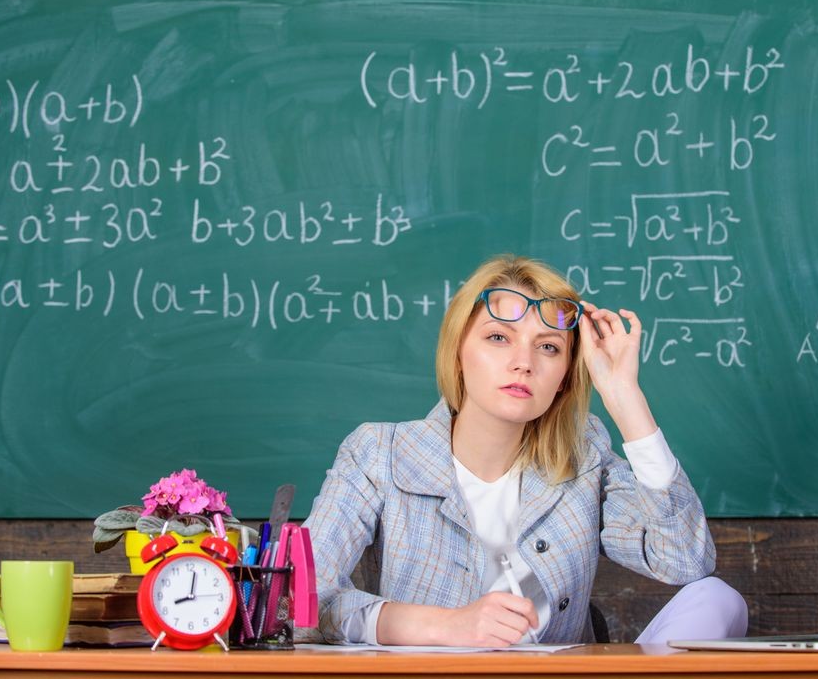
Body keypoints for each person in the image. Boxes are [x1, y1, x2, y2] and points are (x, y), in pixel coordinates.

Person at [300, 254, 747, 646]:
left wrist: (625, 398)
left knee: (717, 600)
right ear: (458, 351)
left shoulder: (584, 458)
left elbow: (685, 561)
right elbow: (298, 604)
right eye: (498, 337)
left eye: (548, 347)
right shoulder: (378, 453)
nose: (524, 362)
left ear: (565, 375)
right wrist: (445, 627)